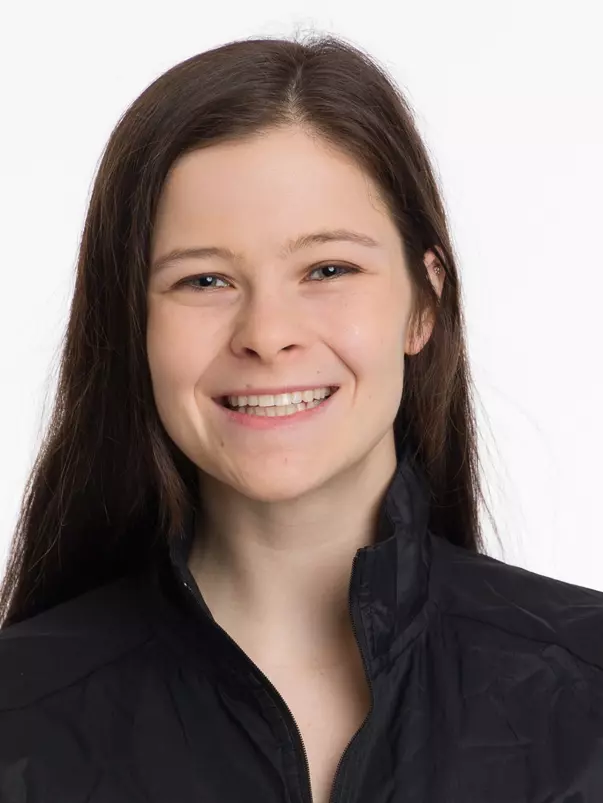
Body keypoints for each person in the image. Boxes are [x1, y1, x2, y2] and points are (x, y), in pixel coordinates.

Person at [1, 31, 602, 803]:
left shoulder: (586, 692)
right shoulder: (18, 720)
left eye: (327, 268)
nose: (266, 332)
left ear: (423, 302)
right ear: (133, 323)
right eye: (204, 279)